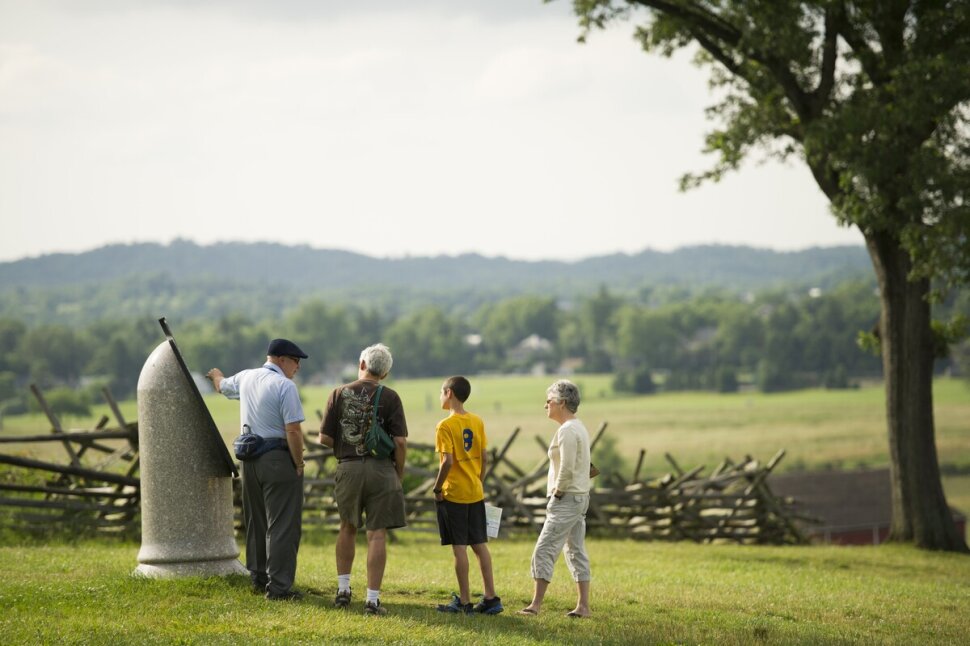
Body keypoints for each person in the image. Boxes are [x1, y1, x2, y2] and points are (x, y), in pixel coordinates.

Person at [207, 338, 308, 601]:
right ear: (282, 359)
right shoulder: (285, 386)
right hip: (278, 458)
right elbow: (293, 430)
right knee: (283, 524)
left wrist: (216, 375)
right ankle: (278, 589)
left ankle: (258, 577)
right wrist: (298, 462)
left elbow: (222, 386)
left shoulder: (246, 377)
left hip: (249, 460)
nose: (297, 367)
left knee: (256, 521)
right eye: (296, 361)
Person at [319, 343, 408, 616]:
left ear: (361, 364)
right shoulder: (391, 397)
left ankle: (344, 590)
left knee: (347, 527)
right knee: (376, 534)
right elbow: (401, 442)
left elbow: (324, 438)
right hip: (382, 469)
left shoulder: (338, 393)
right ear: (385, 373)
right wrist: (398, 474)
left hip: (348, 468)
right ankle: (372, 600)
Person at [518, 379, 592, 618]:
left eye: (549, 400)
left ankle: (535, 606)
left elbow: (568, 467)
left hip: (567, 498)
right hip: (580, 497)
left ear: (561, 403)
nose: (545, 405)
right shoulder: (578, 427)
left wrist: (557, 493)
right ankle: (583, 607)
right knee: (575, 550)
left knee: (544, 548)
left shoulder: (568, 430)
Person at [431, 376, 503, 615]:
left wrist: (437, 488)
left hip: (455, 495)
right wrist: (478, 482)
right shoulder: (477, 420)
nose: (441, 395)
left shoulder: (445, 426)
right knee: (480, 545)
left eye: (442, 391)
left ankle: (463, 601)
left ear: (449, 393)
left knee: (459, 547)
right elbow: (485, 457)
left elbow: (447, 461)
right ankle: (491, 597)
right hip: (475, 491)